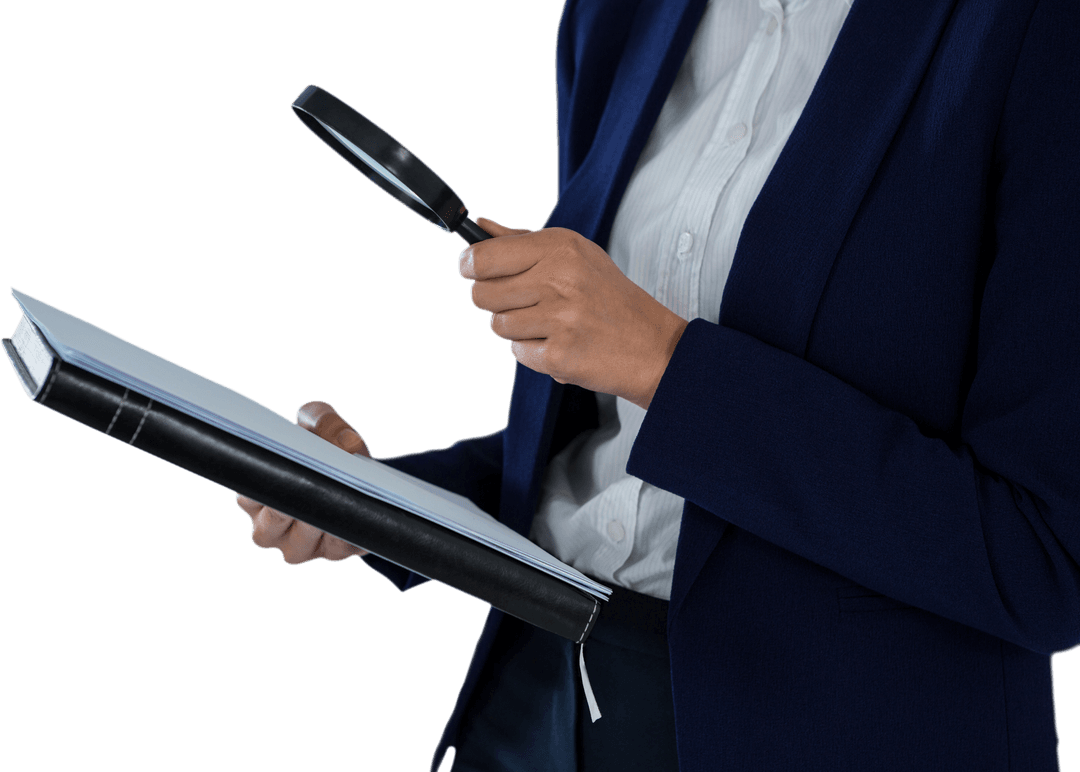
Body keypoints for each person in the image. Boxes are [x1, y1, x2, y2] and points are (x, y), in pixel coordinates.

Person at [236, 0, 1080, 769]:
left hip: (836, 732)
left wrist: (668, 363)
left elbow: (1047, 559)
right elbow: (613, 442)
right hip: (534, 700)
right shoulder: (618, 16)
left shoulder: (1036, 32)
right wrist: (377, 501)